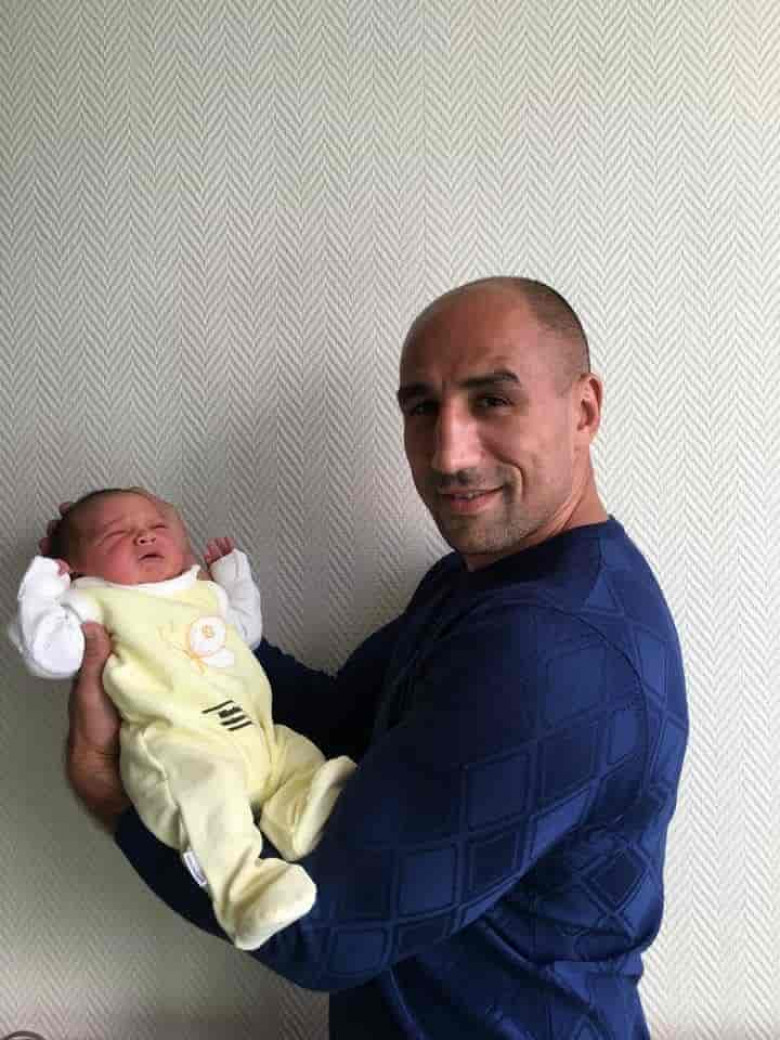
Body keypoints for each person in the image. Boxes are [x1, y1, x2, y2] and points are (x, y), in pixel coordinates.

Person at [61, 278, 688, 1038]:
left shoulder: (554, 647)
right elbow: (342, 721)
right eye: (422, 408)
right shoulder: (481, 579)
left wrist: (108, 791)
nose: (448, 453)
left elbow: (321, 933)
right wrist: (182, 624)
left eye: (492, 400)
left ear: (583, 409)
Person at [11, 488, 354, 950]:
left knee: (296, 755)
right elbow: (48, 653)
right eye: (116, 534)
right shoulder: (95, 600)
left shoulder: (201, 591)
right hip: (180, 746)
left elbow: (246, 633)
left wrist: (234, 580)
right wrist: (43, 586)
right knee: (207, 798)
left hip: (253, 733)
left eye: (157, 527)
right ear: (76, 568)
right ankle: (244, 892)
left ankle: (302, 820)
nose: (143, 537)